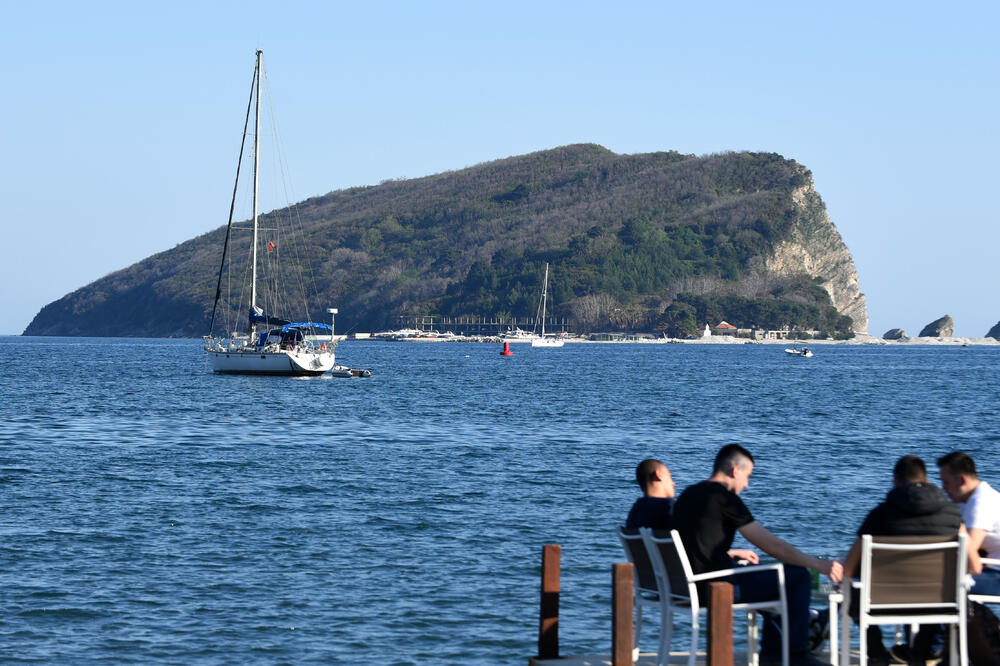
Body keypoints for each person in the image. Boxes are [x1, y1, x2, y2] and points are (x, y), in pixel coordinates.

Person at [672, 444, 843, 666]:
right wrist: (819, 565)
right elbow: (773, 546)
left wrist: (730, 552)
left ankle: (777, 652)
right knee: (797, 576)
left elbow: (695, 542)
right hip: (715, 587)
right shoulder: (724, 498)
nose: (747, 484)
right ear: (735, 470)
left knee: (769, 577)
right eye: (747, 475)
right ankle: (794, 655)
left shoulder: (688, 494)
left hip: (687, 585)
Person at [841, 455, 964, 666]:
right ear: (927, 481)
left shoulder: (880, 515)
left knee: (853, 592)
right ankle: (921, 651)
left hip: (882, 604)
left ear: (895, 481)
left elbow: (849, 568)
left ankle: (877, 652)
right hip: (940, 604)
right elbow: (970, 564)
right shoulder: (954, 516)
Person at [938, 451, 1000, 595]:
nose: (943, 488)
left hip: (996, 573)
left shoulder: (981, 503)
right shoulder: (966, 501)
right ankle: (979, 617)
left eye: (946, 482)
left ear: (962, 480)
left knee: (933, 584)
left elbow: (970, 560)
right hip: (989, 568)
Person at [625, 459, 676, 529]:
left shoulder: (634, 514)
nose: (673, 483)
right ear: (659, 475)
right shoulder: (671, 508)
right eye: (670, 477)